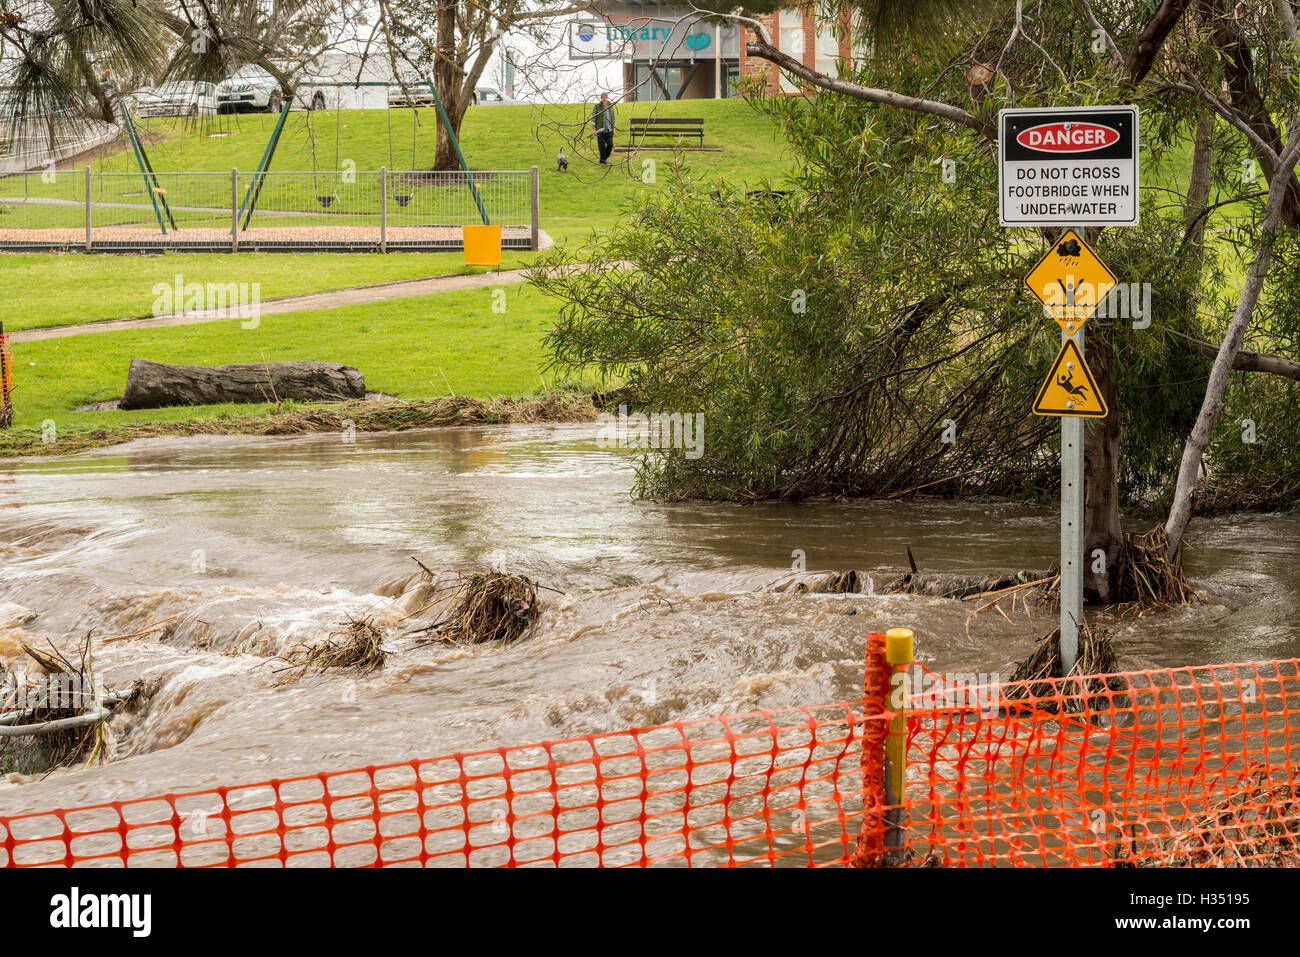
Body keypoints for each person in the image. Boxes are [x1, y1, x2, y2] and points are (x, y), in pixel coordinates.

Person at [591, 92, 615, 165]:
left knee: (610, 145)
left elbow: (613, 118)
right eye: (604, 97)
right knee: (601, 147)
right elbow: (593, 118)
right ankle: (602, 161)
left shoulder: (610, 106)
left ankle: (604, 159)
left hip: (609, 130)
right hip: (600, 130)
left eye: (606, 97)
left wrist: (613, 128)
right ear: (601, 98)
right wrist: (594, 129)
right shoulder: (597, 106)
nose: (605, 99)